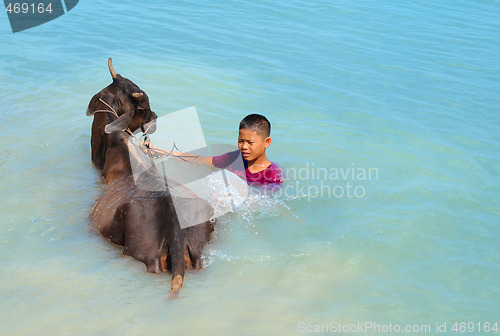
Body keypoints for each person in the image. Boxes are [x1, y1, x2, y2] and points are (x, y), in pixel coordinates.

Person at [159, 114, 283, 185]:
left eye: (250, 142)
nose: (244, 146)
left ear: (267, 142)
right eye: (241, 141)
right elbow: (199, 160)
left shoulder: (272, 174)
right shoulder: (234, 158)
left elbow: (266, 202)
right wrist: (162, 152)